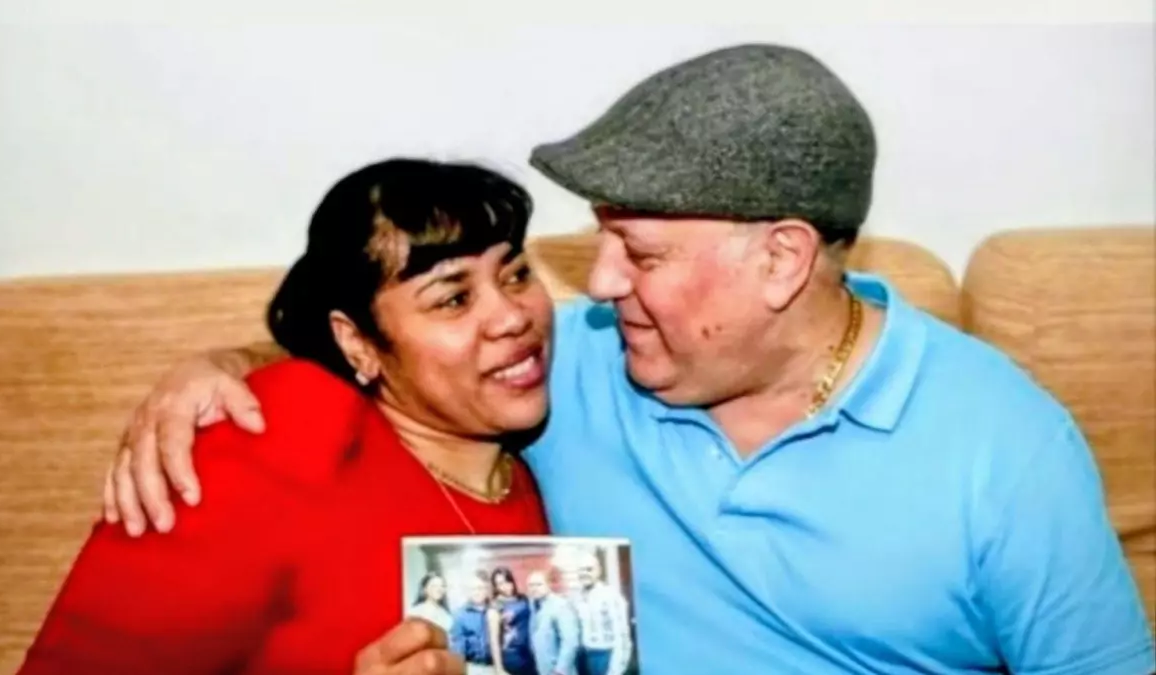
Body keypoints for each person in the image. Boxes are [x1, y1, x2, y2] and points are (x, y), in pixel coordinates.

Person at [99, 44, 1156, 674]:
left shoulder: (1004, 449)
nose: (596, 285)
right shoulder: (572, 375)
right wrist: (222, 363)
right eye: (599, 241)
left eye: (641, 254)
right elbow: (408, 352)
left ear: (782, 259)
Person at [15, 158, 553, 675]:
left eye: (517, 275)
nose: (512, 317)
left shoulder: (548, 421)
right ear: (357, 342)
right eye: (453, 299)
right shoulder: (277, 434)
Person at [569, 552, 630, 675]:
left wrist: (615, 670)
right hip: (584, 657)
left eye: (589, 569)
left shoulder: (610, 596)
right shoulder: (576, 598)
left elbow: (622, 637)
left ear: (598, 571)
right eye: (581, 570)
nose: (584, 573)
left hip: (604, 656)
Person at [526, 570, 580, 675]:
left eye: (539, 584)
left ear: (548, 585)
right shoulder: (534, 606)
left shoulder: (560, 605)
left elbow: (570, 641)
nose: (534, 588)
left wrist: (560, 670)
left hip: (560, 671)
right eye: (531, 585)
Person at [488, 567, 538, 675]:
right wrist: (498, 668)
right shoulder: (495, 607)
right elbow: (494, 640)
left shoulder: (523, 598)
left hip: (530, 653)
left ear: (512, 581)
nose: (505, 586)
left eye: (507, 581)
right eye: (500, 584)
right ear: (495, 587)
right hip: (511, 656)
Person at [449, 571, 499, 675]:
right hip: (472, 668)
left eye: (480, 588)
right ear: (468, 591)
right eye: (473, 589)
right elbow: (458, 648)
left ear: (487, 589)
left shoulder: (496, 610)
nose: (477, 592)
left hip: (496, 667)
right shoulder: (460, 615)